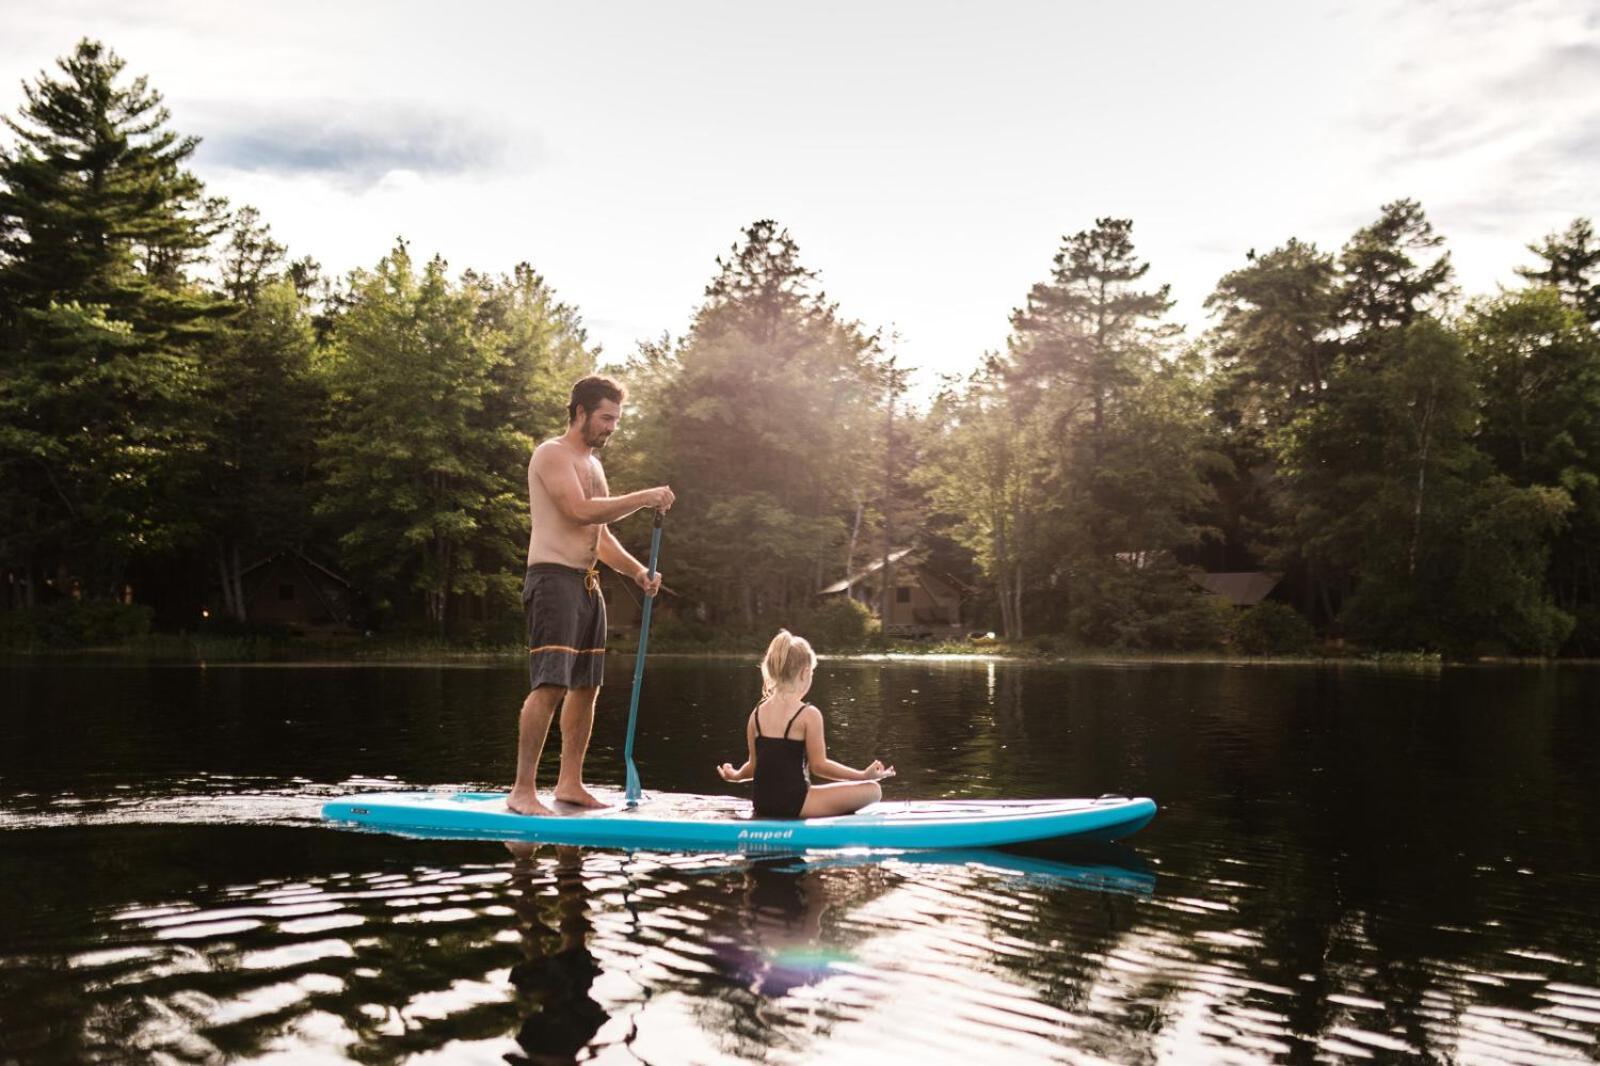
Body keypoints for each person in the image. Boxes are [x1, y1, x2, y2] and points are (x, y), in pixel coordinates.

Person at [508, 374, 675, 816]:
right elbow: (576, 511)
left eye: (616, 420)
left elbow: (597, 535)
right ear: (580, 412)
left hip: (586, 584)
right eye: (605, 418)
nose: (611, 427)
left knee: (586, 688)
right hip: (552, 581)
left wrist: (638, 571)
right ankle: (522, 791)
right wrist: (643, 497)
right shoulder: (552, 454)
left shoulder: (595, 466)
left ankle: (570, 784)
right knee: (551, 685)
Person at [716, 630, 894, 818]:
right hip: (795, 804)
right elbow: (819, 766)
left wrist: (734, 776)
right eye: (812, 673)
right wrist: (862, 776)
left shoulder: (756, 715)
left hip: (762, 803)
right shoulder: (808, 714)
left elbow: (754, 765)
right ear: (804, 672)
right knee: (874, 790)